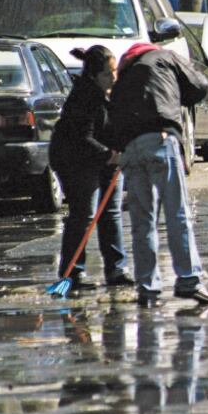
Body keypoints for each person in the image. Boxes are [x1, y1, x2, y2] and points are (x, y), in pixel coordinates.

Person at [108, 42, 208, 308]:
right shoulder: (164, 57)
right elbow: (200, 86)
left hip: (131, 149)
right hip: (161, 139)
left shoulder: (123, 78)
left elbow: (112, 123)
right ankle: (188, 279)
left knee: (142, 221)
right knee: (176, 213)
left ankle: (148, 287)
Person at [48, 45, 131, 291]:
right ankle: (72, 273)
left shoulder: (112, 93)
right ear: (93, 75)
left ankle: (116, 269)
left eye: (115, 71)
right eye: (107, 73)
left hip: (105, 158)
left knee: (111, 212)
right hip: (75, 159)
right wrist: (110, 155)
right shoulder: (84, 97)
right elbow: (82, 139)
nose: (113, 78)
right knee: (84, 214)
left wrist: (120, 149)